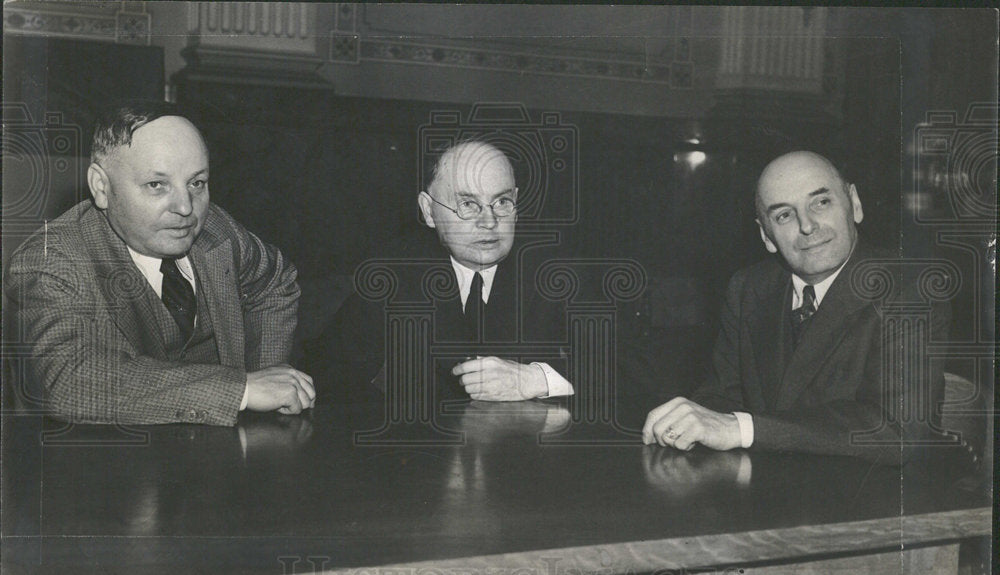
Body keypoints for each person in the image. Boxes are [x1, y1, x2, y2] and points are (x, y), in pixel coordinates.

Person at [4, 101, 315, 425]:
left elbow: (275, 281)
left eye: (197, 183)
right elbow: (69, 382)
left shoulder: (216, 233)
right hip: (94, 462)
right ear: (101, 187)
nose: (185, 207)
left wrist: (266, 384)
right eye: (157, 185)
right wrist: (243, 391)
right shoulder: (49, 261)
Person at [643, 151, 949, 458]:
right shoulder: (748, 288)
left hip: (867, 496)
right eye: (784, 215)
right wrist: (686, 424)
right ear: (766, 235)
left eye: (821, 202)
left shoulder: (911, 288)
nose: (807, 225)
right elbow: (721, 397)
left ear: (854, 204)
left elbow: (898, 430)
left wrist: (744, 428)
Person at [307, 141, 573, 403]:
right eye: (468, 204)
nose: (489, 222)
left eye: (502, 202)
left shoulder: (558, 272)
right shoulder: (394, 273)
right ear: (428, 211)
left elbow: (610, 372)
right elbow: (325, 374)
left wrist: (536, 380)